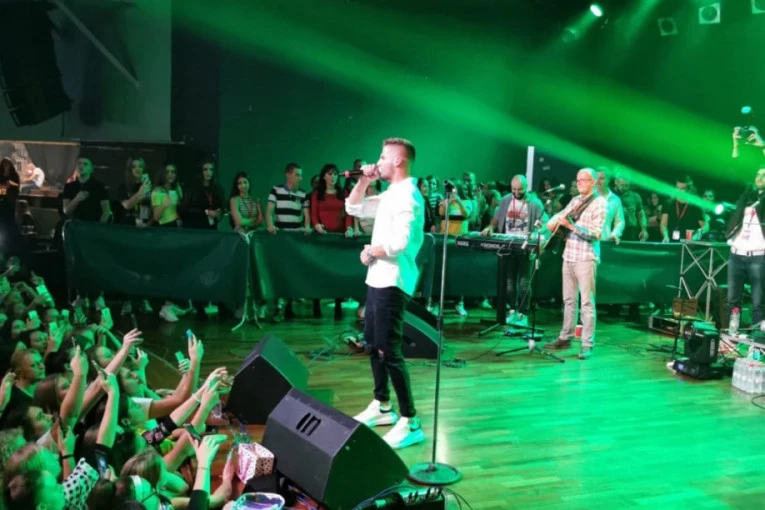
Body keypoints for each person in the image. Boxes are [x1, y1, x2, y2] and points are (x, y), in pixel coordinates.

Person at [345, 138, 425, 450]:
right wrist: (364, 181)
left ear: (398, 161)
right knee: (373, 345)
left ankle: (411, 421)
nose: (377, 162)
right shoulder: (391, 193)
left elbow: (401, 243)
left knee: (389, 351)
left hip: (394, 281)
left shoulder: (409, 196)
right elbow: (354, 207)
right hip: (378, 278)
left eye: (382, 157)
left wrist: (370, 250)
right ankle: (382, 405)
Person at [544, 168, 606, 360]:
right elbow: (559, 217)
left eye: (583, 180)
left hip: (586, 257)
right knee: (569, 301)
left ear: (593, 182)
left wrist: (571, 225)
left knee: (587, 302)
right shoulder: (575, 200)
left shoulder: (599, 203)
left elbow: (595, 234)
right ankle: (565, 337)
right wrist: (553, 222)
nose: (579, 183)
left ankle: (587, 344)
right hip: (569, 255)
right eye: (577, 180)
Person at [481, 175, 547, 326]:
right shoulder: (505, 200)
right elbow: (496, 219)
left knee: (524, 282)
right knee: (509, 282)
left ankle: (523, 314)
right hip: (508, 246)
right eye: (514, 189)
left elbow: (545, 223)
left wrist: (538, 232)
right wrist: (490, 227)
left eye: (520, 189)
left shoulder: (535, 203)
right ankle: (512, 310)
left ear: (526, 187)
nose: (516, 193)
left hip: (526, 247)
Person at [726, 166, 765, 328]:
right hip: (736, 254)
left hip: (758, 256)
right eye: (758, 174)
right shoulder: (748, 195)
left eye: (764, 175)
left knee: (758, 303)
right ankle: (732, 332)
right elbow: (738, 173)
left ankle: (756, 340)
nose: (759, 177)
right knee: (732, 300)